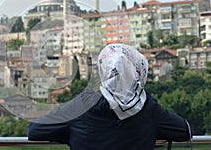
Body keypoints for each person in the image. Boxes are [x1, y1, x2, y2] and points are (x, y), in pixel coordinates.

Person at [28, 43, 192, 150]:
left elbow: (36, 131)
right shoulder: (148, 108)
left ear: (103, 71)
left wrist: (71, 133)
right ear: (139, 71)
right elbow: (185, 131)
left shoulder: (83, 105)